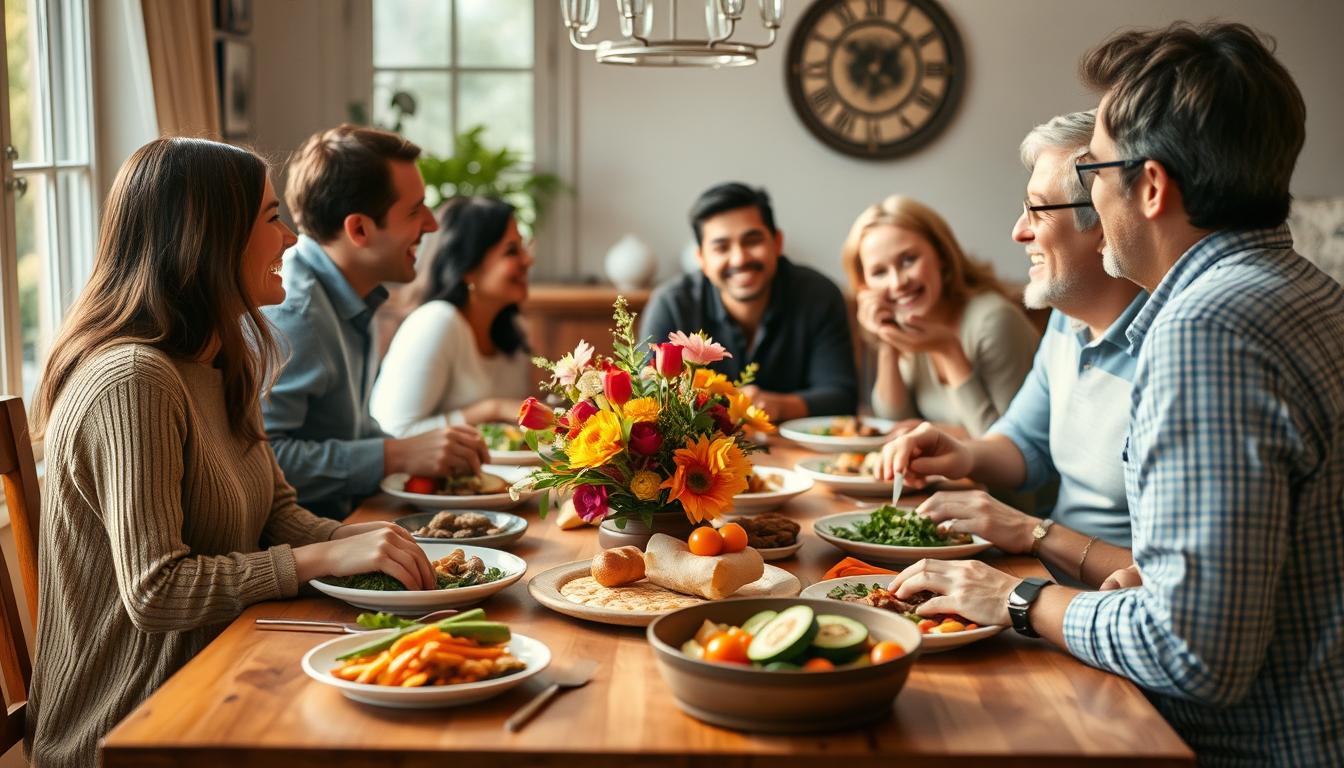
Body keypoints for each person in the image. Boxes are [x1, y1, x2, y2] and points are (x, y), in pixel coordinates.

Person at [889, 23, 1344, 766]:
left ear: (1154, 186)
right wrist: (1141, 583)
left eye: (1096, 171)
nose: (1092, 200)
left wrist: (1013, 599)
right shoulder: (1302, 291)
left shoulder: (1208, 332)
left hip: (1230, 746)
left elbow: (1194, 656)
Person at [24, 138, 438, 768]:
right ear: (209, 238)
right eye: (272, 220)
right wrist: (320, 556)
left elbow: (278, 513)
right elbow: (156, 590)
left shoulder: (221, 359)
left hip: (219, 675)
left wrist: (382, 551)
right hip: (131, 725)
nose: (292, 242)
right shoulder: (134, 380)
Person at [877, 110, 1147, 585]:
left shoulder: (1172, 349)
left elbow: (1174, 580)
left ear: (1105, 222)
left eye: (1038, 210)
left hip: (1096, 603)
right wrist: (963, 454)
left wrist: (1034, 533)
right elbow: (1025, 442)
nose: (1018, 232)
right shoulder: (1067, 323)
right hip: (1044, 577)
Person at [262, 125, 488, 519]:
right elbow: (264, 461)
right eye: (416, 210)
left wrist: (420, 450)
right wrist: (396, 453)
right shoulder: (296, 314)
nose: (433, 224)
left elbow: (343, 431)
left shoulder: (354, 292)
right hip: (306, 551)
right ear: (360, 229)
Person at [640, 182, 858, 421]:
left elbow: (841, 396)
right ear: (701, 258)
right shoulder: (671, 304)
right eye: (721, 247)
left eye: (752, 241)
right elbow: (647, 394)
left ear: (777, 243)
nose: (739, 258)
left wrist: (778, 406)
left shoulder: (819, 295)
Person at [842, 195, 1039, 438]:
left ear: (942, 256)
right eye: (879, 272)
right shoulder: (912, 324)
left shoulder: (994, 321)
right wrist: (887, 342)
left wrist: (948, 350)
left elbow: (1013, 445)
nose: (897, 283)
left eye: (908, 260)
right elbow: (894, 422)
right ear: (865, 285)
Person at [371, 197, 535, 435]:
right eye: (511, 251)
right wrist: (492, 410)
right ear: (467, 268)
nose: (528, 260)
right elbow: (393, 432)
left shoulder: (512, 328)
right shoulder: (436, 321)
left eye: (523, 247)